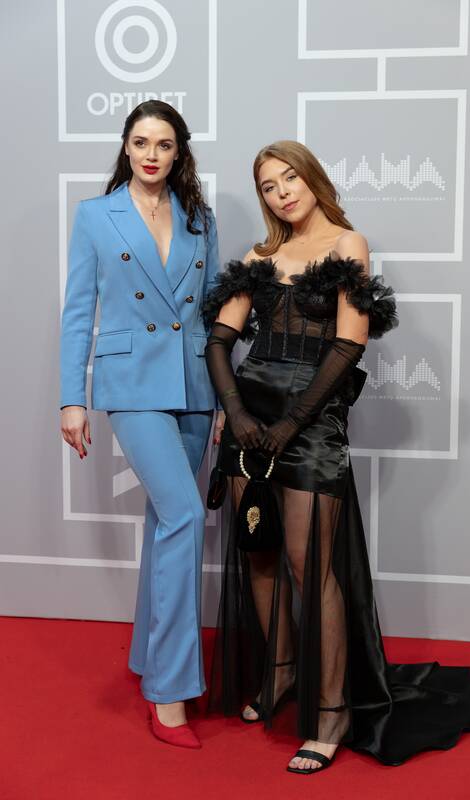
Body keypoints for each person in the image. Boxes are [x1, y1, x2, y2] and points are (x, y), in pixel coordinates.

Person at [203, 140, 470, 773]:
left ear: (312, 179)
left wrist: (292, 424)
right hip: (250, 421)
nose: (282, 192)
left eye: (290, 178)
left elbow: (347, 346)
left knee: (311, 568)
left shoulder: (347, 245)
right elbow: (220, 341)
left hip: (310, 423)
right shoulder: (259, 256)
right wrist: (241, 416)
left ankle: (331, 712)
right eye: (269, 186)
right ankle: (280, 673)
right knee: (259, 554)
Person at [60, 100, 222, 749]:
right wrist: (72, 399)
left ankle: (148, 657)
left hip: (194, 383)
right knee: (184, 514)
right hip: (131, 383)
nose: (151, 154)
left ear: (179, 152)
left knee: (165, 524)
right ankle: (170, 690)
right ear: (125, 148)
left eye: (163, 144)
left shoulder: (199, 218)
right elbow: (78, 311)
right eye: (140, 142)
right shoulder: (95, 216)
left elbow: (213, 313)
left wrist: (225, 399)